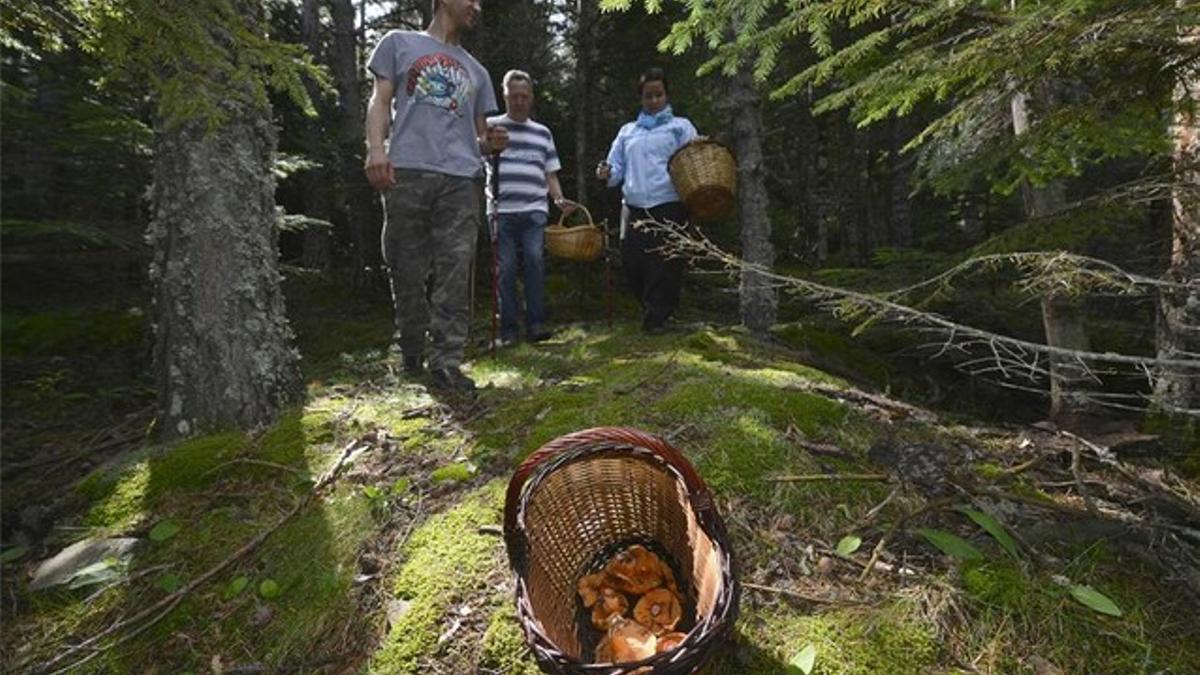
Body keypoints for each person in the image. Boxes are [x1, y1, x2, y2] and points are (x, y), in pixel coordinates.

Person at [364, 0, 507, 393]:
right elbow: (380, 101)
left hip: (462, 178)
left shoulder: (477, 71)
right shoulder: (399, 43)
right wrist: (377, 149)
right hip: (407, 171)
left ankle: (446, 363)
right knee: (406, 269)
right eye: (470, 0)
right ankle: (411, 347)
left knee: (455, 270)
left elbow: (479, 135)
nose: (477, 7)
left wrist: (491, 141)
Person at [596, 67, 698, 335]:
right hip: (634, 205)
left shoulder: (681, 127)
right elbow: (615, 168)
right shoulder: (628, 132)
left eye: (659, 95)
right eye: (648, 96)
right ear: (641, 98)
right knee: (633, 261)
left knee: (665, 263)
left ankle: (658, 317)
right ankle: (651, 309)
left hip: (669, 202)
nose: (654, 101)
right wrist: (606, 173)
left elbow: (694, 161)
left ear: (667, 96)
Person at [485, 70, 574, 346]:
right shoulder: (491, 128)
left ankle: (536, 325)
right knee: (507, 268)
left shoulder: (542, 133)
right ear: (505, 95)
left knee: (535, 262)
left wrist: (558, 198)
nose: (520, 101)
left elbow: (550, 173)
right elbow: (475, 163)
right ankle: (509, 330)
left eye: (524, 96)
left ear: (532, 97)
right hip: (501, 210)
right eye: (514, 96)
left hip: (535, 208)